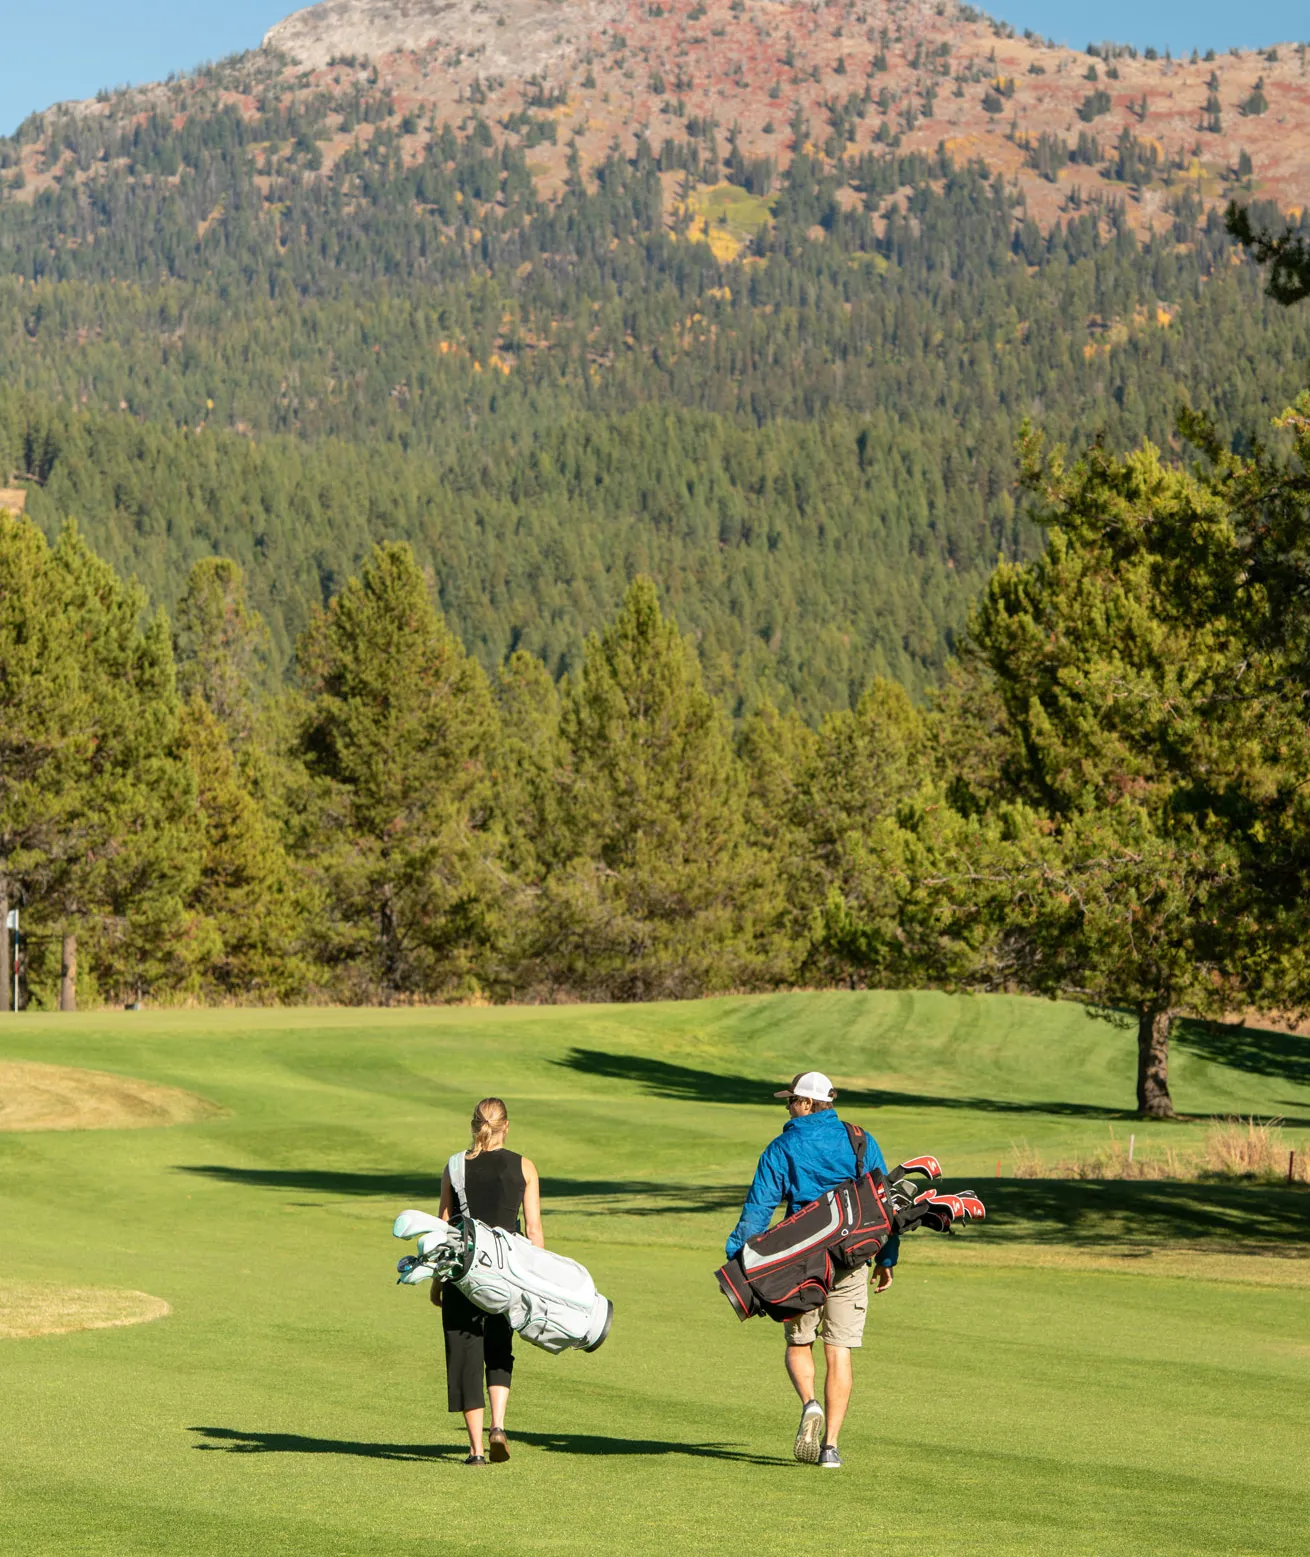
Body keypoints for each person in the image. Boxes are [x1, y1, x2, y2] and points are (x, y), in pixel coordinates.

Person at [724, 1070, 899, 1470]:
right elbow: (883, 1202)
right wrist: (887, 1257)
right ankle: (831, 1448)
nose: (787, 1107)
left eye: (790, 1101)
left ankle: (810, 1403)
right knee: (839, 1352)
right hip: (852, 1259)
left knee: (799, 1343)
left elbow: (758, 1211)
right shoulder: (859, 1139)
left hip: (800, 1263)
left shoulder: (781, 1147)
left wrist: (738, 1258)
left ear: (806, 1104)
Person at [433, 1097, 544, 1465]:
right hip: (506, 1274)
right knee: (499, 1346)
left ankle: (476, 1451)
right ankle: (498, 1426)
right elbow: (534, 1231)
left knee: (465, 1355)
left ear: (473, 1125)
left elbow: (443, 1228)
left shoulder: (453, 1167)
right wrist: (536, 1280)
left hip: (463, 1273)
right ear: (506, 1127)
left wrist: (437, 1281)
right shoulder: (524, 1167)